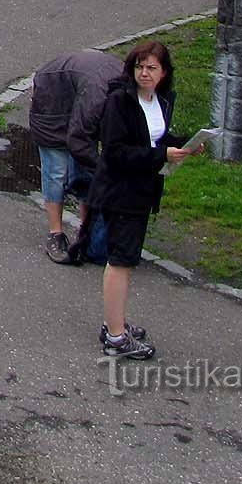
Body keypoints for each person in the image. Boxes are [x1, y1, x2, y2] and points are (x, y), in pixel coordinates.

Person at [85, 40, 205, 360]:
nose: (144, 74)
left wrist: (184, 145)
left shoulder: (160, 101)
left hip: (142, 192)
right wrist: (160, 155)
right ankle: (115, 336)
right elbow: (115, 150)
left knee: (127, 260)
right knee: (120, 261)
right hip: (119, 191)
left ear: (164, 73)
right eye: (140, 67)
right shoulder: (120, 102)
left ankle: (116, 321)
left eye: (152, 68)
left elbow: (156, 138)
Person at [27, 48, 117, 264]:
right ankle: (55, 233)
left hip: (79, 92)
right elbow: (79, 140)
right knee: (57, 170)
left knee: (86, 170)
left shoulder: (121, 95)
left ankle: (86, 231)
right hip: (52, 100)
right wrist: (103, 171)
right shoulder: (97, 96)